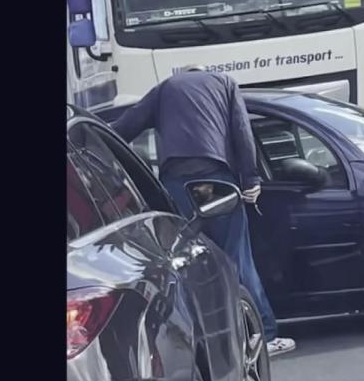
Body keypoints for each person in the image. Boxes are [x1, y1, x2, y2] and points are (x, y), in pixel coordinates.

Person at [111, 65, 296, 357]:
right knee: (236, 258)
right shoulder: (225, 83)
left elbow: (123, 129)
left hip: (176, 183)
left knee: (186, 262)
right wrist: (251, 180)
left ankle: (200, 343)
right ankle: (264, 335)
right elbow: (241, 132)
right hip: (215, 177)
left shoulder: (165, 88)